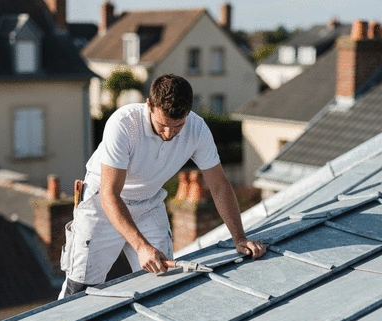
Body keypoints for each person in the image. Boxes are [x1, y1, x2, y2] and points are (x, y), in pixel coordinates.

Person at [59, 74, 266, 298]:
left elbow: (219, 186)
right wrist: (140, 246)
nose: (169, 134)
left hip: (149, 202)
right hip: (102, 203)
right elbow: (110, 194)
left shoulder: (197, 129)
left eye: (178, 126)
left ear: (188, 112)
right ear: (149, 105)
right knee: (80, 290)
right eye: (163, 125)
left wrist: (239, 238)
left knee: (162, 281)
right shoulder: (123, 124)